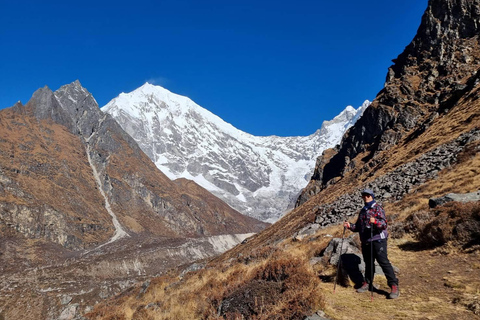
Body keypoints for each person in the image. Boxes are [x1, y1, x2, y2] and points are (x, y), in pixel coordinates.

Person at [343, 189, 399, 299]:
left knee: (383, 262)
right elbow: (359, 227)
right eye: (364, 196)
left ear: (372, 196)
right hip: (366, 241)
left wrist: (376, 222)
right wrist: (350, 226)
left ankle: (394, 285)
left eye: (368, 195)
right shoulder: (363, 211)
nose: (365, 197)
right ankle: (368, 283)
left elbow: (384, 224)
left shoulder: (378, 208)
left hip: (378, 240)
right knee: (368, 263)